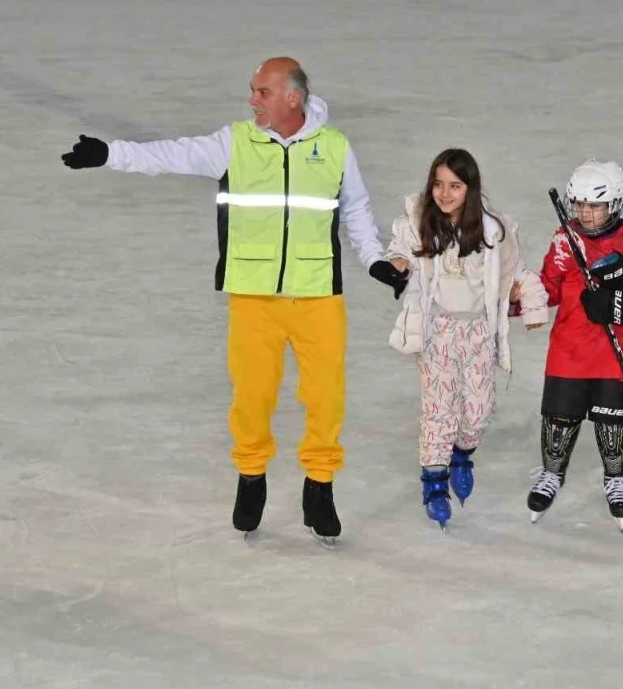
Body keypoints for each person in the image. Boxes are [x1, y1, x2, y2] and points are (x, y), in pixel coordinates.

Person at [60, 57, 408, 545]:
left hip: (317, 296)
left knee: (325, 398)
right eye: (252, 91)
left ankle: (320, 487)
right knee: (252, 397)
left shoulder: (333, 148)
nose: (252, 101)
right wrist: (109, 153)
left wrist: (375, 260)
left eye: (261, 92)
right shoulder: (235, 143)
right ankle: (251, 479)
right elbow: (171, 155)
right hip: (253, 295)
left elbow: (355, 207)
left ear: (293, 97)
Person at [385, 149, 548, 528]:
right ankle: (435, 482)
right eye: (438, 185)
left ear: (470, 189)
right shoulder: (418, 224)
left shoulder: (493, 231)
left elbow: (517, 274)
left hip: (478, 332)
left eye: (454, 186)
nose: (444, 193)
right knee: (438, 412)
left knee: (476, 412)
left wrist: (532, 306)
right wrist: (398, 264)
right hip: (438, 331)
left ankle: (462, 453)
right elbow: (398, 251)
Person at [527, 159, 623, 531]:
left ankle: (615, 477)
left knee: (612, 421)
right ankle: (551, 473)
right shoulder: (565, 239)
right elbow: (550, 285)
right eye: (580, 205)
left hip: (616, 350)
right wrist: (521, 297)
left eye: (595, 206)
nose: (586, 214)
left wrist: (616, 306)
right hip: (569, 349)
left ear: (616, 203)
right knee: (559, 418)